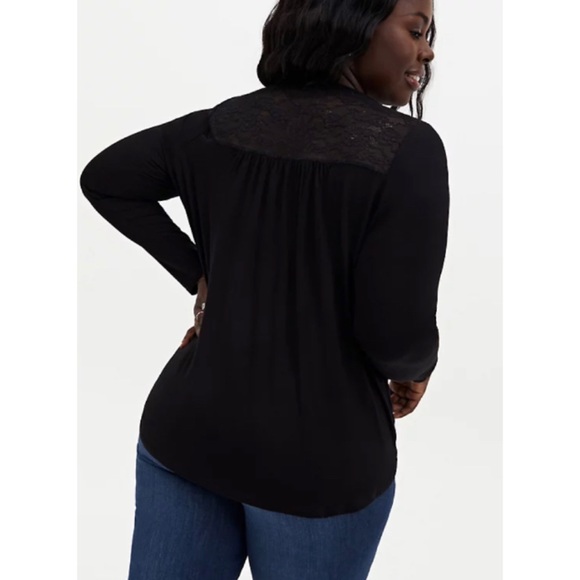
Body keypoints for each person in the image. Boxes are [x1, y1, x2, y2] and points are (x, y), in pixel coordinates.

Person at [79, 0, 449, 578]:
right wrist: (416, 368)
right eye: (417, 30)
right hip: (319, 464)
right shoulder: (407, 148)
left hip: (188, 432)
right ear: (350, 23)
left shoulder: (219, 124)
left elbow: (107, 180)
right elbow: (394, 337)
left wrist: (200, 274)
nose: (427, 51)